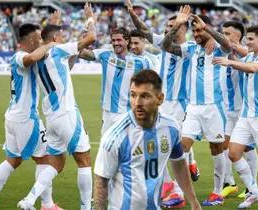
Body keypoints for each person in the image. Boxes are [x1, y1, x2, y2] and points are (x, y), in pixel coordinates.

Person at [17, 3, 96, 210]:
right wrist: (89, 19)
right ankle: (86, 207)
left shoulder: (38, 60)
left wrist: (53, 28)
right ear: (54, 39)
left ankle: (28, 200)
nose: (63, 40)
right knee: (84, 160)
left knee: (56, 164)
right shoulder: (57, 49)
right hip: (67, 113)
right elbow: (91, 39)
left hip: (51, 117)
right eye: (60, 36)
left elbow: (66, 67)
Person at [125, 1, 200, 207]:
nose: (168, 30)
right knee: (159, 144)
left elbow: (168, 45)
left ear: (184, 28)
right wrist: (132, 14)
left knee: (167, 145)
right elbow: (144, 30)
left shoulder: (190, 47)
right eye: (167, 27)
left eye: (173, 27)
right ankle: (175, 181)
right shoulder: (164, 42)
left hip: (181, 103)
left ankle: (176, 188)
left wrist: (179, 22)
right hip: (162, 102)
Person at [93, 70, 202, 210]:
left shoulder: (171, 128)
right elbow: (101, 181)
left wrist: (193, 201)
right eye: (133, 95)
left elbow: (179, 163)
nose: (137, 102)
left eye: (144, 96)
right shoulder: (116, 136)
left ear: (160, 99)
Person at [0, 23, 59, 210]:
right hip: (25, 119)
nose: (40, 41)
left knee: (13, 160)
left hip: (13, 117)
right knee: (45, 158)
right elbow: (31, 57)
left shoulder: (24, 55)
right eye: (38, 38)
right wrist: (49, 44)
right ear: (30, 40)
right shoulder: (20, 56)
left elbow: (40, 55)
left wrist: (52, 26)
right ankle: (47, 205)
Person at [162, 5, 234, 206]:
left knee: (216, 148)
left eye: (199, 30)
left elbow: (228, 44)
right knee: (181, 147)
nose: (196, 34)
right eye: (194, 30)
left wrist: (210, 32)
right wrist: (177, 26)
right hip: (193, 108)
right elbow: (166, 47)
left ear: (207, 28)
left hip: (214, 108)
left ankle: (218, 191)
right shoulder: (190, 49)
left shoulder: (218, 48)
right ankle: (178, 191)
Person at [213, 25, 258, 210]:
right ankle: (254, 191)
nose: (247, 42)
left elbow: (251, 68)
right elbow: (238, 54)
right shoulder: (250, 55)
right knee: (233, 153)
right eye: (247, 39)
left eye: (250, 39)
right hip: (246, 115)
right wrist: (228, 45)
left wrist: (230, 63)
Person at [78, 27, 154, 135]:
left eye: (119, 40)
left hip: (127, 113)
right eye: (113, 40)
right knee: (106, 148)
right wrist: (84, 37)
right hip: (107, 113)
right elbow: (81, 53)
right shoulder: (105, 55)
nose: (115, 43)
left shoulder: (141, 62)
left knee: (127, 149)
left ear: (127, 41)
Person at [219, 21, 258, 199]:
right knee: (223, 146)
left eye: (228, 34)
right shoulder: (222, 51)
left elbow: (246, 56)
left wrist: (233, 47)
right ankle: (230, 183)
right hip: (227, 110)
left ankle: (252, 187)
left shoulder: (248, 54)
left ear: (238, 36)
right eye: (223, 33)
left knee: (248, 149)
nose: (224, 36)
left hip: (244, 110)